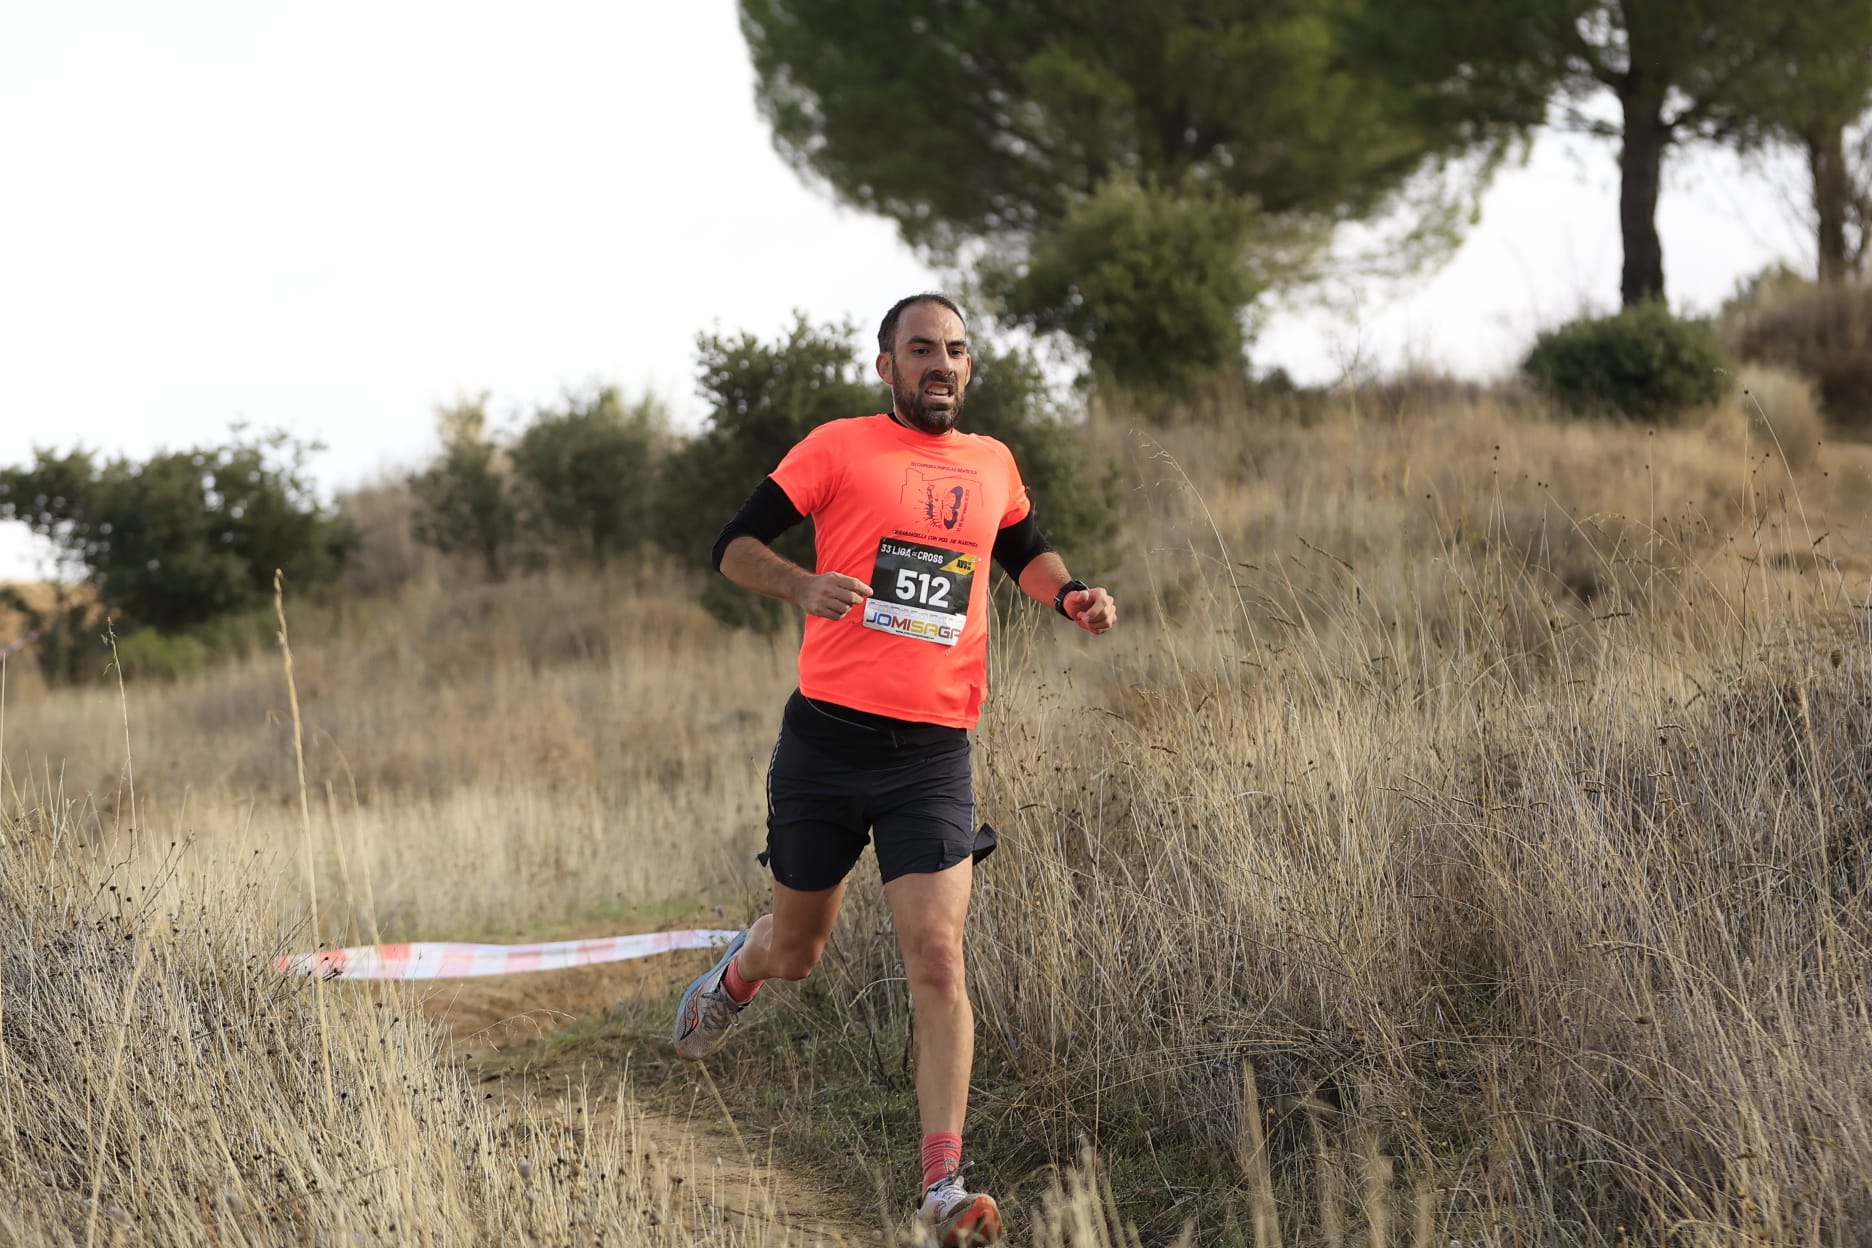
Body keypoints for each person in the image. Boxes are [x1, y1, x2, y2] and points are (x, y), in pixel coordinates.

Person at [673, 292, 1117, 1247]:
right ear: (887, 366)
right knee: (799, 952)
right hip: (826, 746)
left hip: (932, 757)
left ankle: (942, 1186)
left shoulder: (991, 463)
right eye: (922, 350)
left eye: (956, 351)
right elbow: (731, 548)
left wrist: (1070, 594)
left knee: (940, 956)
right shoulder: (836, 447)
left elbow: (1023, 550)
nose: (941, 365)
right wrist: (801, 584)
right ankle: (738, 974)